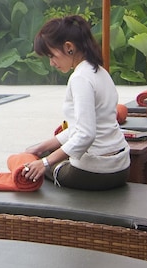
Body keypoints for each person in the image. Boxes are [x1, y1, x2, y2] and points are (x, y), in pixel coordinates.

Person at [21, 15, 130, 191]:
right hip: (121, 167)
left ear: (69, 47)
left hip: (96, 172)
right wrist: (41, 147)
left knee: (29, 167)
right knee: (43, 154)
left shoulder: (80, 78)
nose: (51, 63)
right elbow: (81, 129)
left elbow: (85, 134)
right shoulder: (99, 71)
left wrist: (44, 162)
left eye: (52, 55)